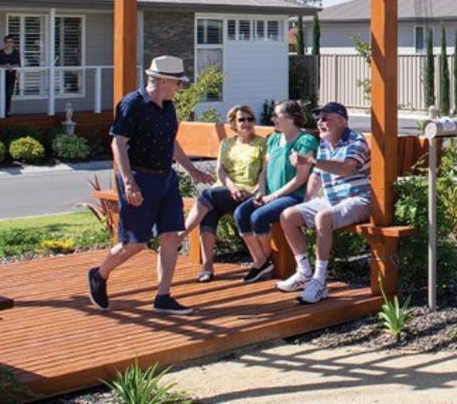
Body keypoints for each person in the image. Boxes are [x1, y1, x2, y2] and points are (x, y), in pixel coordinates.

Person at [86, 55, 214, 315]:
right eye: (178, 83)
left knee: (170, 236)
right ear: (164, 80)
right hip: (139, 178)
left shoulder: (168, 106)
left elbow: (171, 142)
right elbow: (117, 144)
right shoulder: (132, 104)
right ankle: (99, 274)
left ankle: (163, 296)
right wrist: (130, 184)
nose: (180, 88)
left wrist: (192, 170)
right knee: (135, 242)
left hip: (166, 178)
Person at [276, 101, 371, 304]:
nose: (319, 123)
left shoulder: (356, 140)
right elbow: (316, 177)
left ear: (340, 120)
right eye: (318, 119)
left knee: (323, 217)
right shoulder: (325, 144)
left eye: (324, 118)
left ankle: (320, 281)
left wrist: (311, 161)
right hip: (331, 200)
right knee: (289, 215)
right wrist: (306, 202)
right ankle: (304, 273)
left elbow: (346, 168)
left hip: (359, 200)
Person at [180, 104, 268, 282]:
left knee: (207, 197)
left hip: (249, 193)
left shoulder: (262, 143)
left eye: (250, 119)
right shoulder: (226, 143)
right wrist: (232, 188)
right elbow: (220, 171)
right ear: (234, 124)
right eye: (241, 119)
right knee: (209, 211)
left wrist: (255, 192)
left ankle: (179, 236)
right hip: (227, 191)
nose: (246, 123)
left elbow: (263, 173)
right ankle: (207, 265)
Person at [232, 100, 316, 284]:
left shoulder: (305, 141)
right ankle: (260, 260)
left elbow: (301, 178)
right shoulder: (273, 139)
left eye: (276, 115)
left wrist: (273, 196)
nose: (273, 119)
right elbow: (265, 169)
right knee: (240, 213)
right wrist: (261, 192)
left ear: (291, 118)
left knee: (258, 218)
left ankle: (266, 260)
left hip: (293, 196)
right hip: (269, 194)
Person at [0, 35, 21, 116]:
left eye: (10, 42)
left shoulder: (16, 52)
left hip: (11, 76)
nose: (9, 43)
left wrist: (12, 66)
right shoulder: (0, 52)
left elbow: (18, 65)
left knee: (8, 93)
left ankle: (7, 111)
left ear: (13, 43)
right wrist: (6, 66)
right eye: (7, 42)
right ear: (4, 43)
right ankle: (2, 111)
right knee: (1, 93)